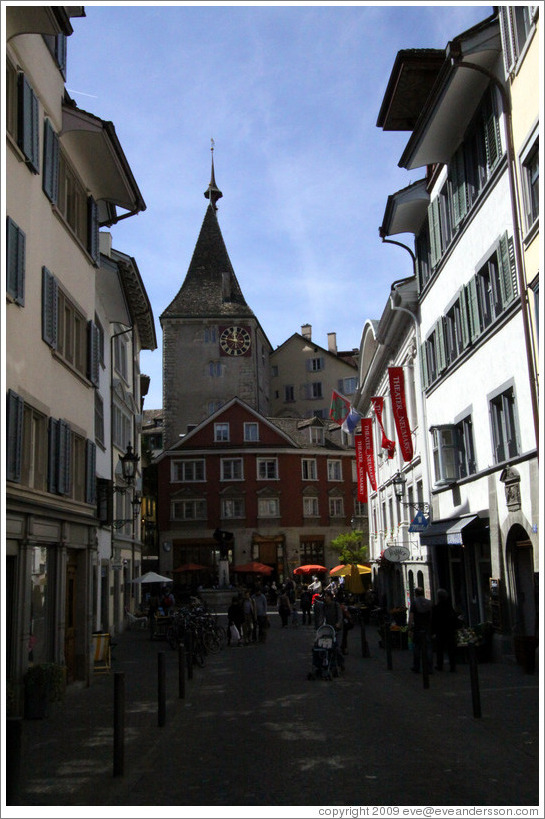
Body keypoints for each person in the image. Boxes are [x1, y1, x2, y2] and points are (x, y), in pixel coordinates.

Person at [432, 588, 459, 672]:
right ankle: (452, 666)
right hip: (449, 630)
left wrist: (433, 631)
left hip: (440, 631)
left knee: (440, 649)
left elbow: (433, 620)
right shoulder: (449, 607)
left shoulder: (436, 607)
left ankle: (440, 665)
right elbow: (454, 617)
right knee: (451, 649)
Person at [408, 587, 433, 674]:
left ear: (415, 593)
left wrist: (409, 628)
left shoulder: (414, 603)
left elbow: (411, 617)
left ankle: (417, 666)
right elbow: (431, 616)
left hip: (418, 628)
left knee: (417, 647)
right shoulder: (429, 602)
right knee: (428, 648)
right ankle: (430, 668)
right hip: (427, 628)